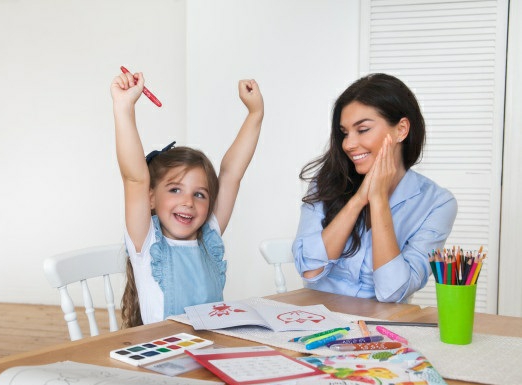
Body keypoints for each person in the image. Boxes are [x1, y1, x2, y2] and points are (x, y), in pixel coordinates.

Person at [111, 69, 264, 327]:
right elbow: (134, 178)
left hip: (212, 348)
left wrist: (255, 113)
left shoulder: (209, 236)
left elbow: (231, 174)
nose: (188, 202)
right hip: (164, 351)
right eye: (175, 190)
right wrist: (124, 107)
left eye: (199, 194)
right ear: (150, 198)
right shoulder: (147, 243)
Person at [292, 73, 457, 302]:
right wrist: (358, 200)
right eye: (344, 133)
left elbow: (393, 292)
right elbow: (310, 271)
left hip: (381, 320)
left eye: (362, 130)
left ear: (401, 129)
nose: (348, 144)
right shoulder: (327, 182)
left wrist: (378, 200)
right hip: (321, 315)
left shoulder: (437, 203)